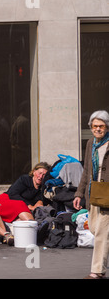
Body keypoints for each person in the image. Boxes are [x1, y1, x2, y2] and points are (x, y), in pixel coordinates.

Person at [73, 110, 109, 279]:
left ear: (107, 127)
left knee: (102, 232)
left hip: (107, 194)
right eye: (95, 126)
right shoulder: (90, 144)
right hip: (93, 193)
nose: (98, 129)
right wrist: (79, 193)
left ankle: (97, 271)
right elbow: (86, 170)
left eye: (101, 126)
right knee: (94, 229)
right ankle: (103, 258)